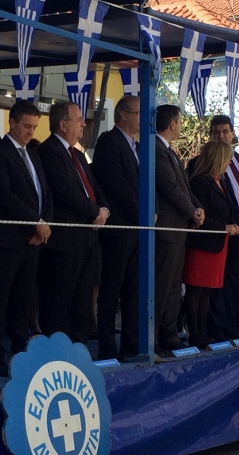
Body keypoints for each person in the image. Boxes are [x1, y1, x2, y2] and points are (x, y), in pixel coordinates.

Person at [0, 100, 52, 377]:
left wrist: (43, 224)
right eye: (26, 126)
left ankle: (22, 353)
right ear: (12, 122)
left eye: (34, 127)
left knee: (23, 301)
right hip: (7, 240)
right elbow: (3, 194)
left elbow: (44, 193)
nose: (30, 132)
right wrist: (34, 222)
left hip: (33, 240)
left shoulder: (33, 155)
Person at [36, 102, 109, 345]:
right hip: (64, 241)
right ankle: (57, 350)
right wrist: (94, 212)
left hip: (87, 239)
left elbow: (94, 186)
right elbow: (65, 190)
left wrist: (104, 209)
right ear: (63, 124)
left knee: (82, 300)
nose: (83, 124)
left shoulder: (77, 154)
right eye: (78, 120)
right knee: (60, 300)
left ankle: (78, 347)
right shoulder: (49, 151)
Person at [188, 115, 239, 340]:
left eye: (225, 131)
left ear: (232, 133)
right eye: (216, 132)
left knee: (233, 282)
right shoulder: (199, 169)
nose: (221, 136)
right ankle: (210, 331)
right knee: (207, 288)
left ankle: (231, 328)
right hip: (214, 234)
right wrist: (225, 226)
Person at [91, 95, 146, 360]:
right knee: (111, 289)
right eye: (138, 113)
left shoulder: (138, 147)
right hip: (119, 229)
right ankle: (107, 346)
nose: (142, 119)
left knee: (133, 289)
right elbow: (116, 183)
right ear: (123, 115)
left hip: (137, 230)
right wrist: (141, 211)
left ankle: (130, 344)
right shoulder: (109, 142)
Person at [153, 105, 203, 352]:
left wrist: (197, 206)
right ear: (172, 123)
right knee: (162, 285)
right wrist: (191, 211)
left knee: (174, 286)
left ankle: (169, 334)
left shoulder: (170, 151)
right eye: (181, 122)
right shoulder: (156, 148)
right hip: (167, 229)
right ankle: (153, 337)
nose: (182, 126)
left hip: (178, 230)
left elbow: (184, 186)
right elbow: (169, 187)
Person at [183, 141, 239, 349]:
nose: (229, 163)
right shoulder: (200, 181)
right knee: (196, 289)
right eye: (227, 159)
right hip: (203, 243)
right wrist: (224, 227)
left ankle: (203, 332)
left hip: (218, 243)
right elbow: (202, 216)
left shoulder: (221, 182)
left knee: (207, 290)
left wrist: (232, 224)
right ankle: (195, 333)